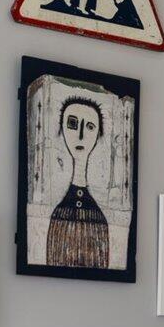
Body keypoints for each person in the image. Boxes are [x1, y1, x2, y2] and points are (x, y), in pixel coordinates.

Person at [45, 94, 111, 269]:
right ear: (62, 130)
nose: (81, 135)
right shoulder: (58, 214)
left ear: (98, 135)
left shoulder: (100, 219)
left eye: (89, 127)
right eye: (73, 124)